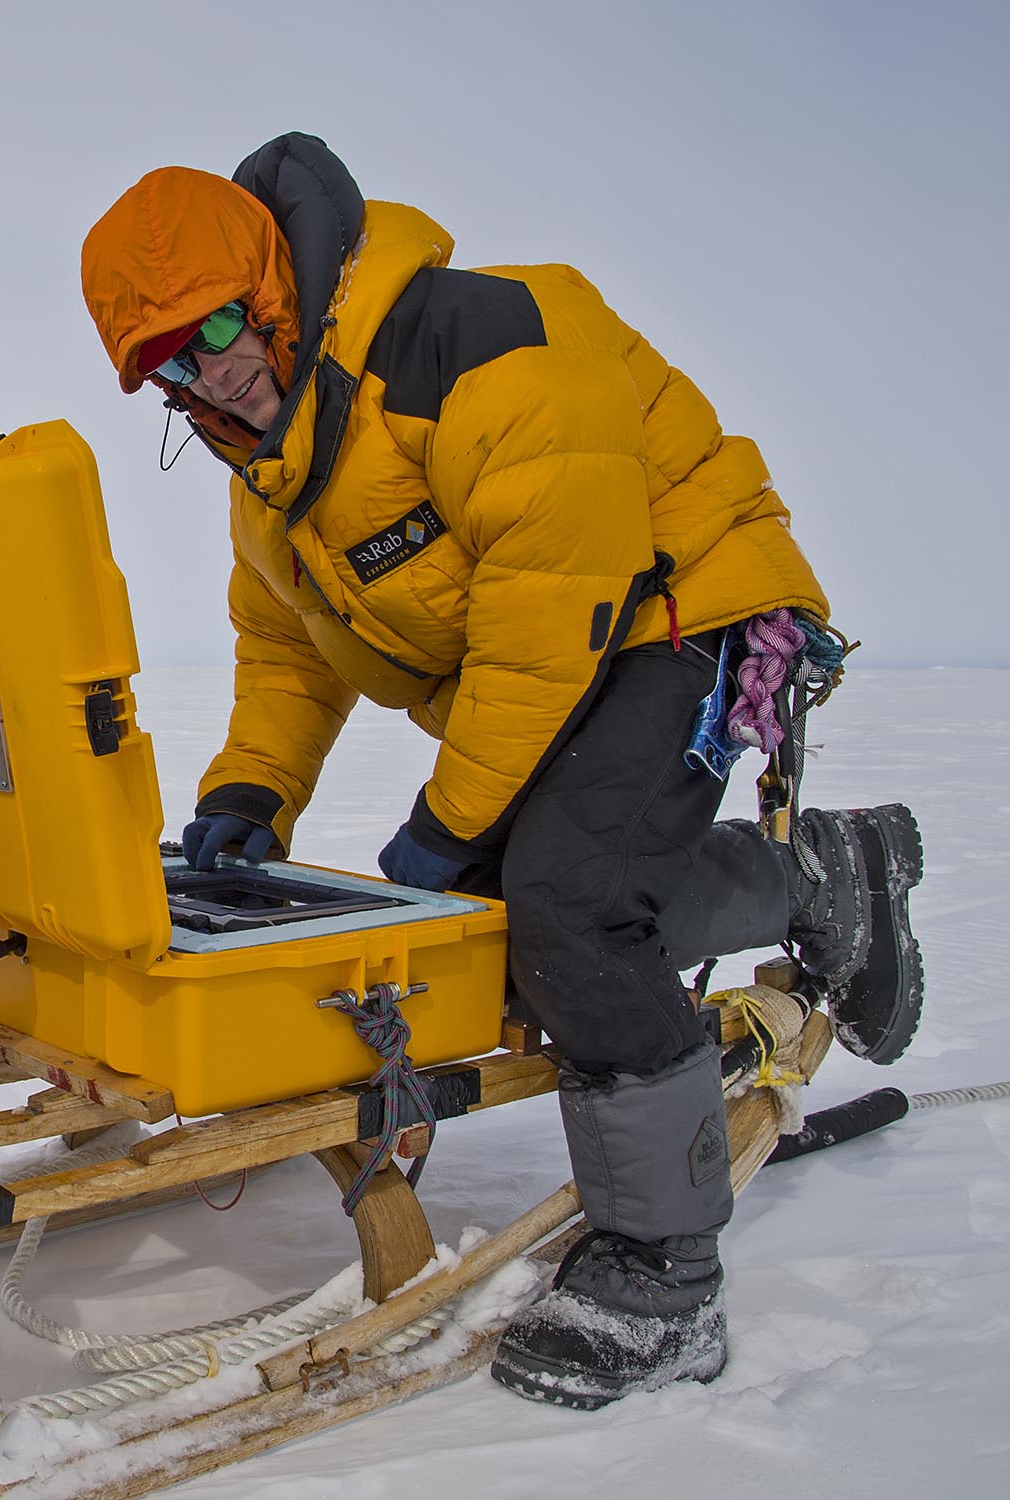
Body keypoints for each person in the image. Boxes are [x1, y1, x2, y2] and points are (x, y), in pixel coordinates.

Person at [81, 133, 923, 1409]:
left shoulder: (473, 344)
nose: (206, 378)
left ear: (272, 295)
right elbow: (288, 655)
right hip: (566, 655)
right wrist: (248, 794)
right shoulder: (273, 481)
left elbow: (550, 622)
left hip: (681, 607)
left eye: (213, 335)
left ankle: (663, 1273)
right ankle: (815, 877)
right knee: (491, 913)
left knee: (569, 906)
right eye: (165, 368)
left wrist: (447, 815)